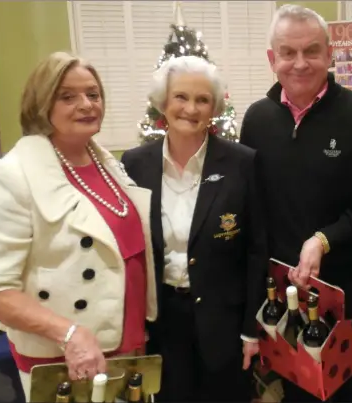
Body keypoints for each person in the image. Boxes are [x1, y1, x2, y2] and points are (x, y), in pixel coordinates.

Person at [239, 4, 352, 402]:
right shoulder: (257, 120)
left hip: (347, 302)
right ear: (271, 59)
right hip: (284, 302)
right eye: (287, 52)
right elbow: (253, 214)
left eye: (311, 51)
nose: (299, 63)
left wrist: (324, 239)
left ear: (329, 55)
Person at [0, 51, 157, 401]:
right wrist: (70, 333)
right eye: (68, 96)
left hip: (128, 344)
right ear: (42, 104)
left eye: (93, 93)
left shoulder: (106, 163)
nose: (86, 104)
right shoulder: (12, 175)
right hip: (67, 356)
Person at [120, 55, 268, 402]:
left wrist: (251, 329)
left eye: (202, 99)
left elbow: (256, 250)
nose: (191, 108)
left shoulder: (242, 163)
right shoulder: (135, 164)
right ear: (163, 103)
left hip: (224, 324)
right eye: (181, 97)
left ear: (214, 107)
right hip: (162, 322)